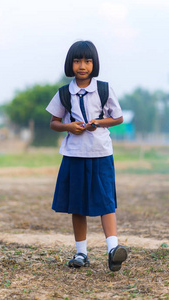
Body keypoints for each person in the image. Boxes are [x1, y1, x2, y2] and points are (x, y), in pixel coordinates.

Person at [46, 40, 128, 272]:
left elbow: (118, 117)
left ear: (94, 64)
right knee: (77, 204)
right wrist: (69, 127)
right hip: (74, 154)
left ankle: (113, 249)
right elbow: (53, 122)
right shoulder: (64, 93)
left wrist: (98, 123)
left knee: (105, 201)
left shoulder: (103, 89)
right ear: (70, 64)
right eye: (77, 60)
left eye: (87, 61)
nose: (82, 66)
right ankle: (81, 252)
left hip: (101, 153)